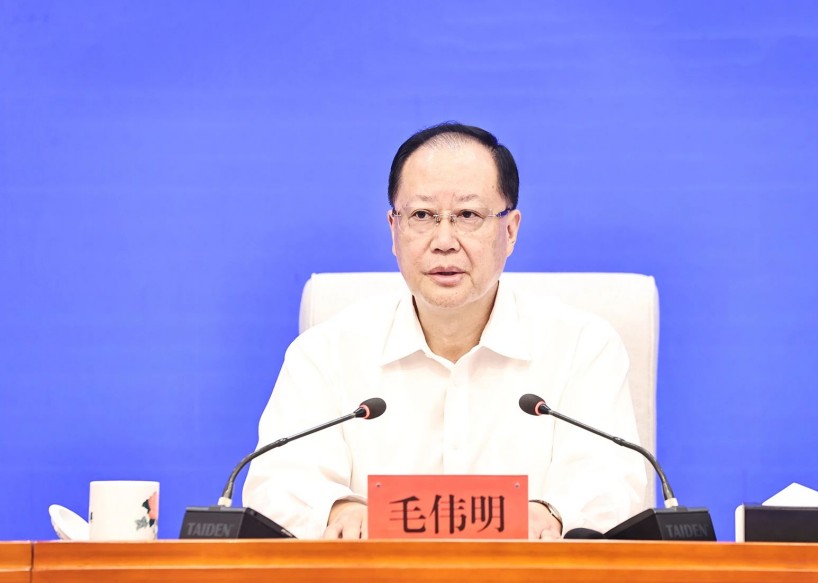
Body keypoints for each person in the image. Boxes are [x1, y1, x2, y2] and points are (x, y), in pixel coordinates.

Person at [242, 122, 646, 540]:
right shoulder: (325, 353)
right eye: (422, 216)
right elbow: (277, 483)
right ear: (393, 230)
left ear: (510, 231)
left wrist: (554, 514)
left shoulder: (582, 348)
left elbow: (614, 483)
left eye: (468, 215)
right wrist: (337, 510)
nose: (444, 240)